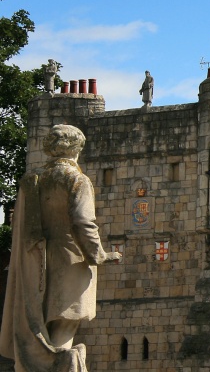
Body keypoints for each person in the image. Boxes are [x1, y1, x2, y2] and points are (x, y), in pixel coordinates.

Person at [0, 125, 119, 371]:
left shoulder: (32, 181)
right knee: (65, 323)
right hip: (71, 259)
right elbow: (83, 222)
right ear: (76, 149)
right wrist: (100, 255)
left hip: (36, 262)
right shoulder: (76, 179)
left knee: (43, 323)